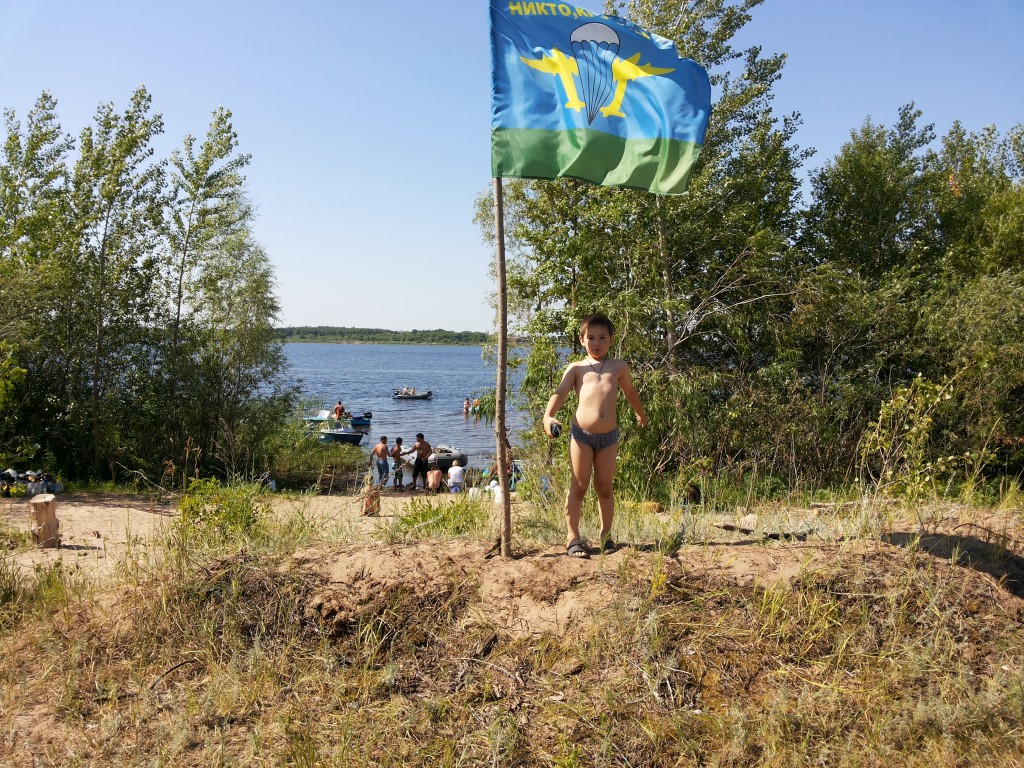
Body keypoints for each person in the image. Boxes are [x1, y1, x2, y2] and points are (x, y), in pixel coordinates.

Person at [543, 313, 647, 558]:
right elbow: (560, 392)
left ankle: (606, 536)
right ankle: (573, 538)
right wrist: (548, 416)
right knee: (579, 486)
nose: (596, 343)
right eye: (591, 338)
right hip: (582, 435)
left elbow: (630, 392)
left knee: (605, 488)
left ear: (611, 339)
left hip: (609, 437)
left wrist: (640, 414)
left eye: (602, 338)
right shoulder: (576, 368)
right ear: (582, 340)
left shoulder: (619, 367)